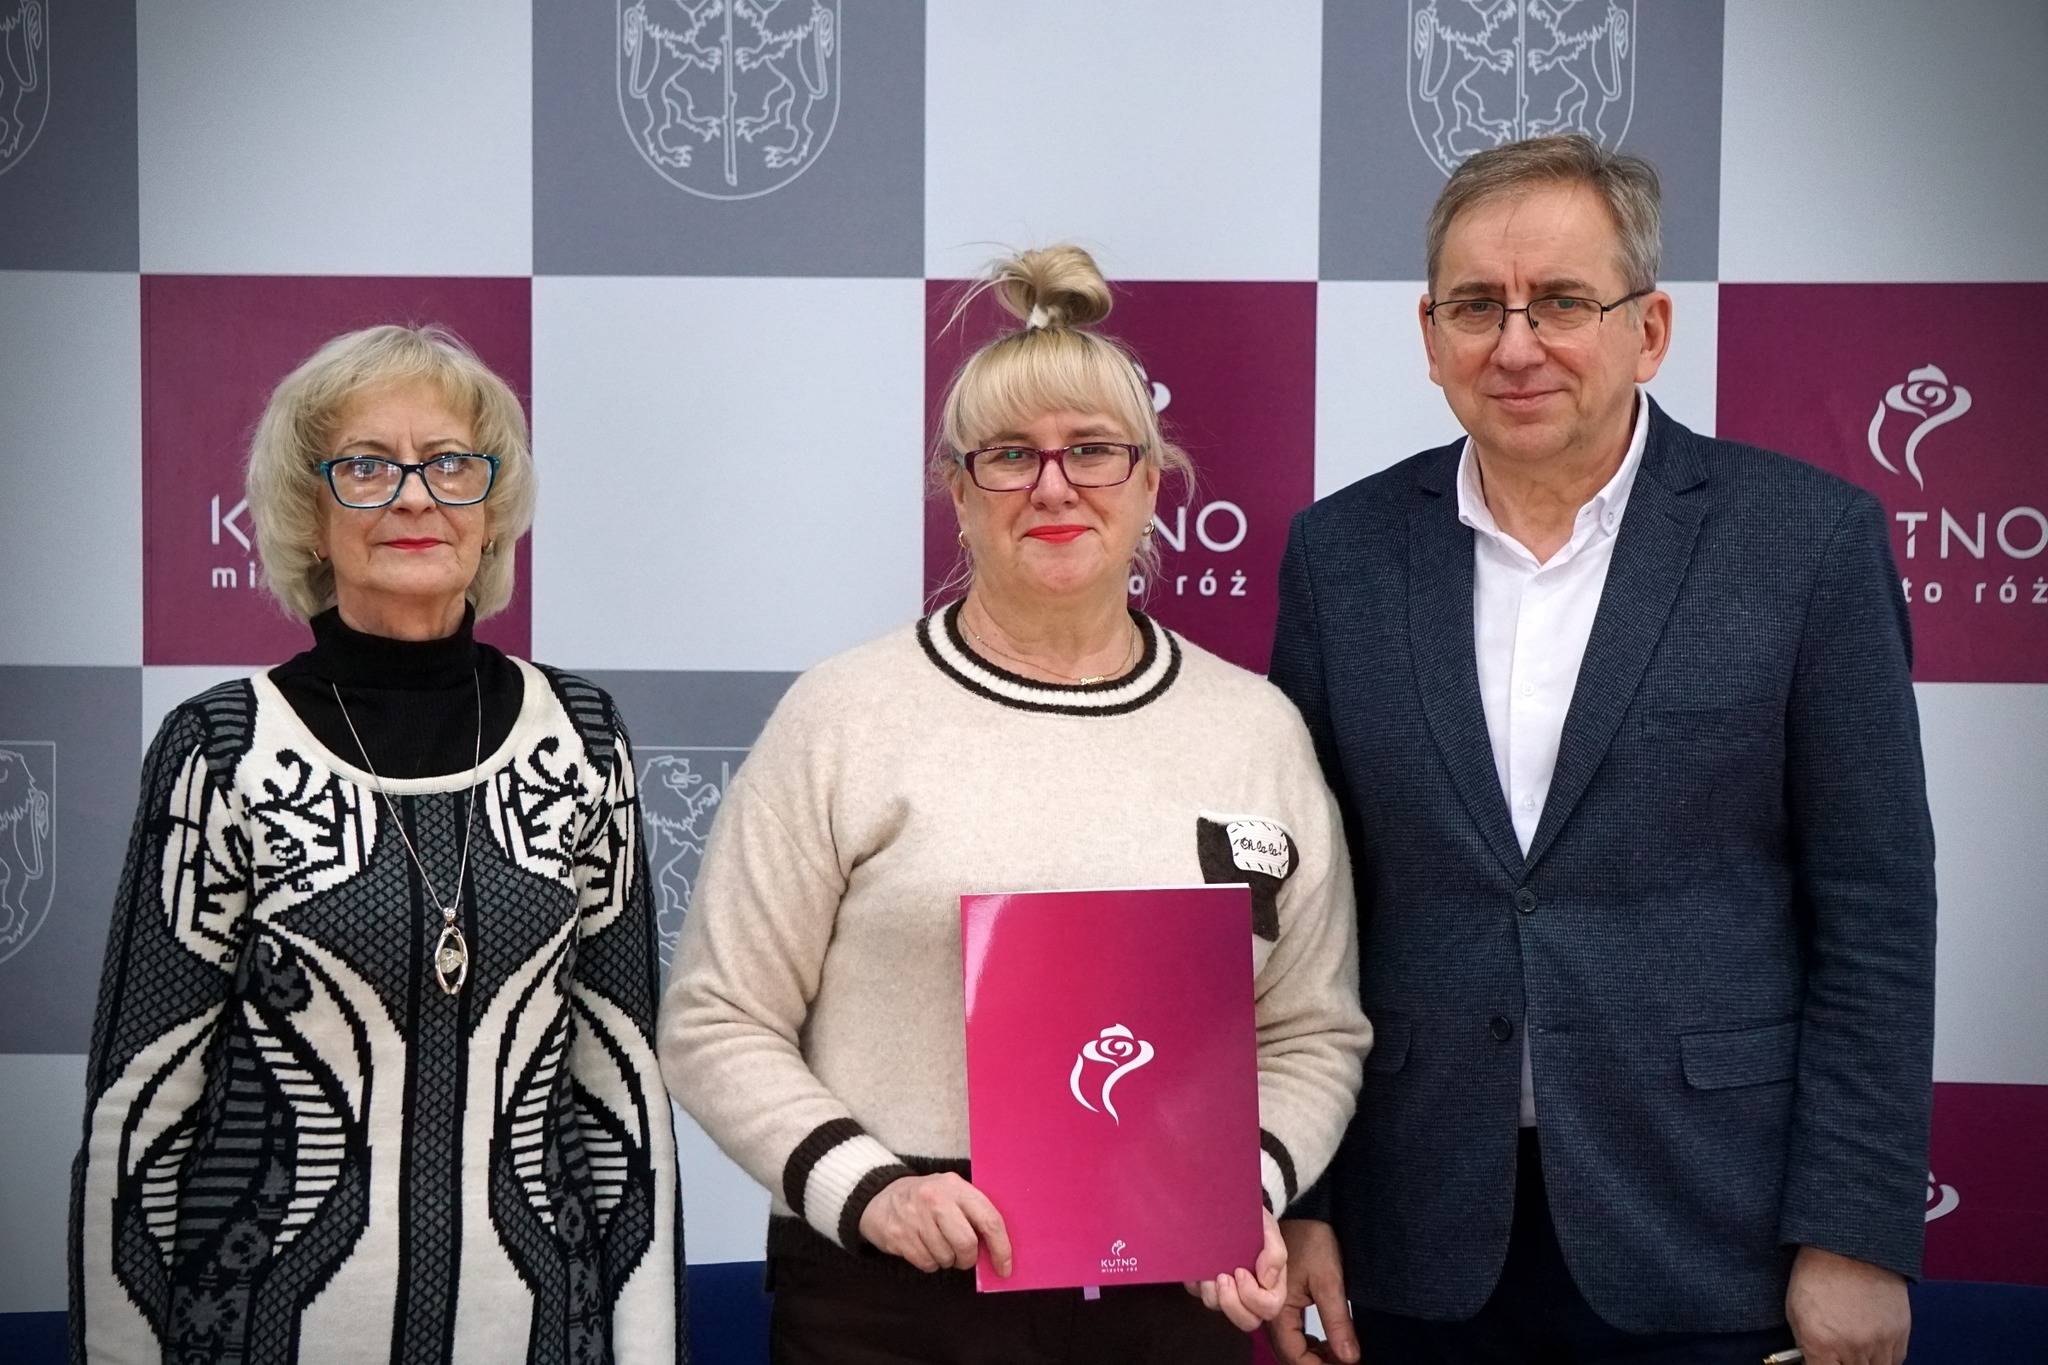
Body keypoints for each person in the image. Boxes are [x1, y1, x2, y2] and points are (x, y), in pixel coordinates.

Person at [1267, 134, 1936, 1365]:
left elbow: (1875, 915)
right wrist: (1301, 1195)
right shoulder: (1337, 556)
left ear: (1649, 329)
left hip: (1712, 1232)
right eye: (1476, 305)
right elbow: (1303, 914)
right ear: (1428, 335)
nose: (1514, 345)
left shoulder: (1805, 544)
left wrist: (1854, 1231)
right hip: (1412, 1235)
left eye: (1562, 302)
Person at [658, 245, 1371, 1364]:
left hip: (1166, 1292)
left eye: (1091, 450)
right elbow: (716, 1018)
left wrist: (1248, 1184)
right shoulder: (844, 715)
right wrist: (870, 1190)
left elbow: (1311, 1031)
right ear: (957, 492)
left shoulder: (1254, 732)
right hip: (891, 1293)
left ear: (1151, 482)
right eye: (1008, 456)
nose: (1052, 485)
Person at [69, 325, 683, 1363]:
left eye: (449, 463)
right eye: (365, 466)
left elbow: (619, 1084)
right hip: (260, 1336)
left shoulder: (581, 737)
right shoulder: (221, 747)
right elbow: (141, 1104)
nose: (413, 497)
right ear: (309, 517)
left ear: (492, 510)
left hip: (540, 1335)